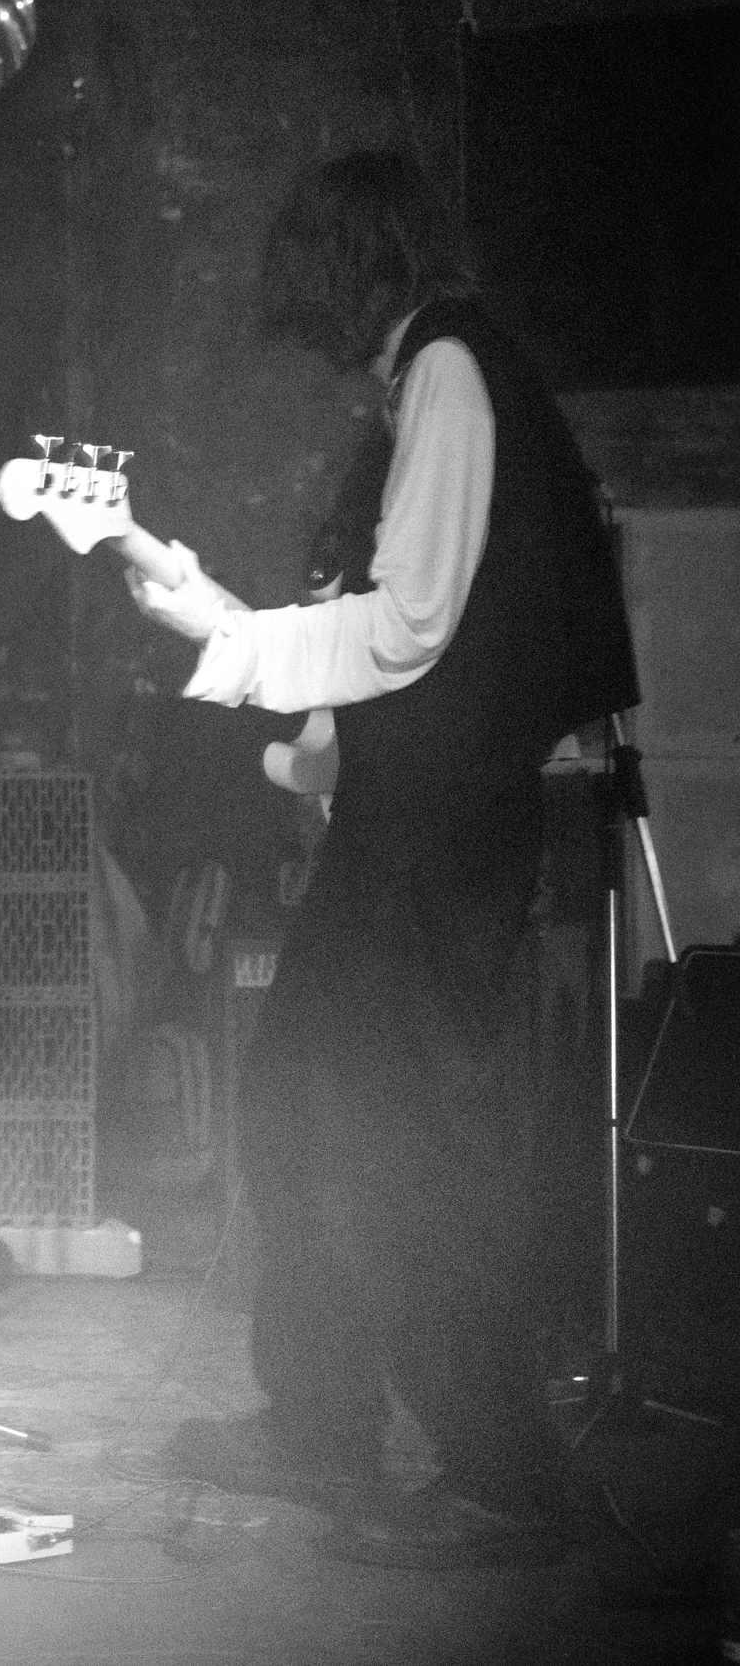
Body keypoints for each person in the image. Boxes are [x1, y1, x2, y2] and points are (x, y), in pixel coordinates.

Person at [123, 151, 639, 1567]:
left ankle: (505, 1480)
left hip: (442, 833)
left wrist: (235, 646)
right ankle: (319, 1421)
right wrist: (226, 632)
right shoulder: (429, 386)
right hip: (405, 821)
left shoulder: (452, 374)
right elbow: (394, 650)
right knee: (296, 1104)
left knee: (405, 1141)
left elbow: (411, 628)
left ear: (353, 264)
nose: (309, 324)